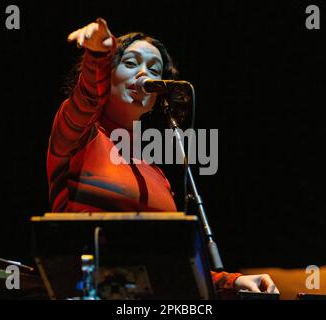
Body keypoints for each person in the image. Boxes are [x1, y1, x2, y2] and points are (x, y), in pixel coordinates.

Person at [47, 17, 279, 295]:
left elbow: (170, 263)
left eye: (154, 69)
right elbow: (86, 100)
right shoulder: (80, 136)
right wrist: (97, 55)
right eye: (131, 63)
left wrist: (231, 282)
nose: (144, 74)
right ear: (107, 73)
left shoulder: (155, 174)